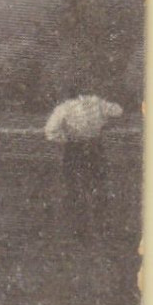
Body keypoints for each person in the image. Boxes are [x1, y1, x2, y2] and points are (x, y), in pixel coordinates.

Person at [44, 86, 124, 237]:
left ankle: (79, 229)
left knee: (74, 189)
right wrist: (104, 122)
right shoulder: (97, 103)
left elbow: (50, 131)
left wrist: (67, 139)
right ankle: (102, 227)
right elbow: (118, 111)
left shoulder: (64, 108)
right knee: (98, 187)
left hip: (74, 149)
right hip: (95, 148)